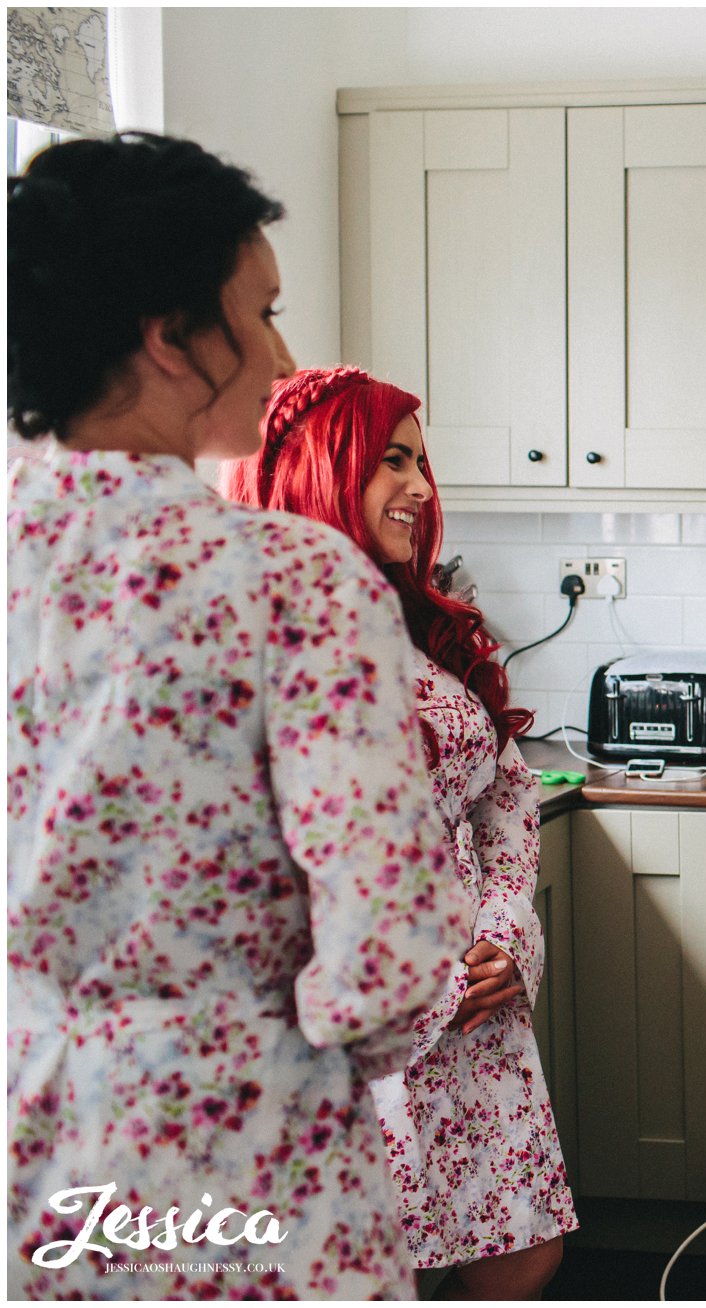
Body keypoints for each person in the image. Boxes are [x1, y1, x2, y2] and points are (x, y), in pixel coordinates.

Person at [7, 133, 470, 1298]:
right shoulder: (293, 582)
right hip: (253, 1157)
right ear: (170, 336)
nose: (279, 354)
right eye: (261, 313)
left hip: (32, 1155)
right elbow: (393, 955)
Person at [225, 367, 577, 1297]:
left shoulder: (415, 623)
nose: (423, 489)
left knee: (524, 1251)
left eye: (422, 462)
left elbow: (504, 797)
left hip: (476, 1015)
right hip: (361, 1039)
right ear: (322, 469)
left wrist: (509, 932)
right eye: (394, 462)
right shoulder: (252, 639)